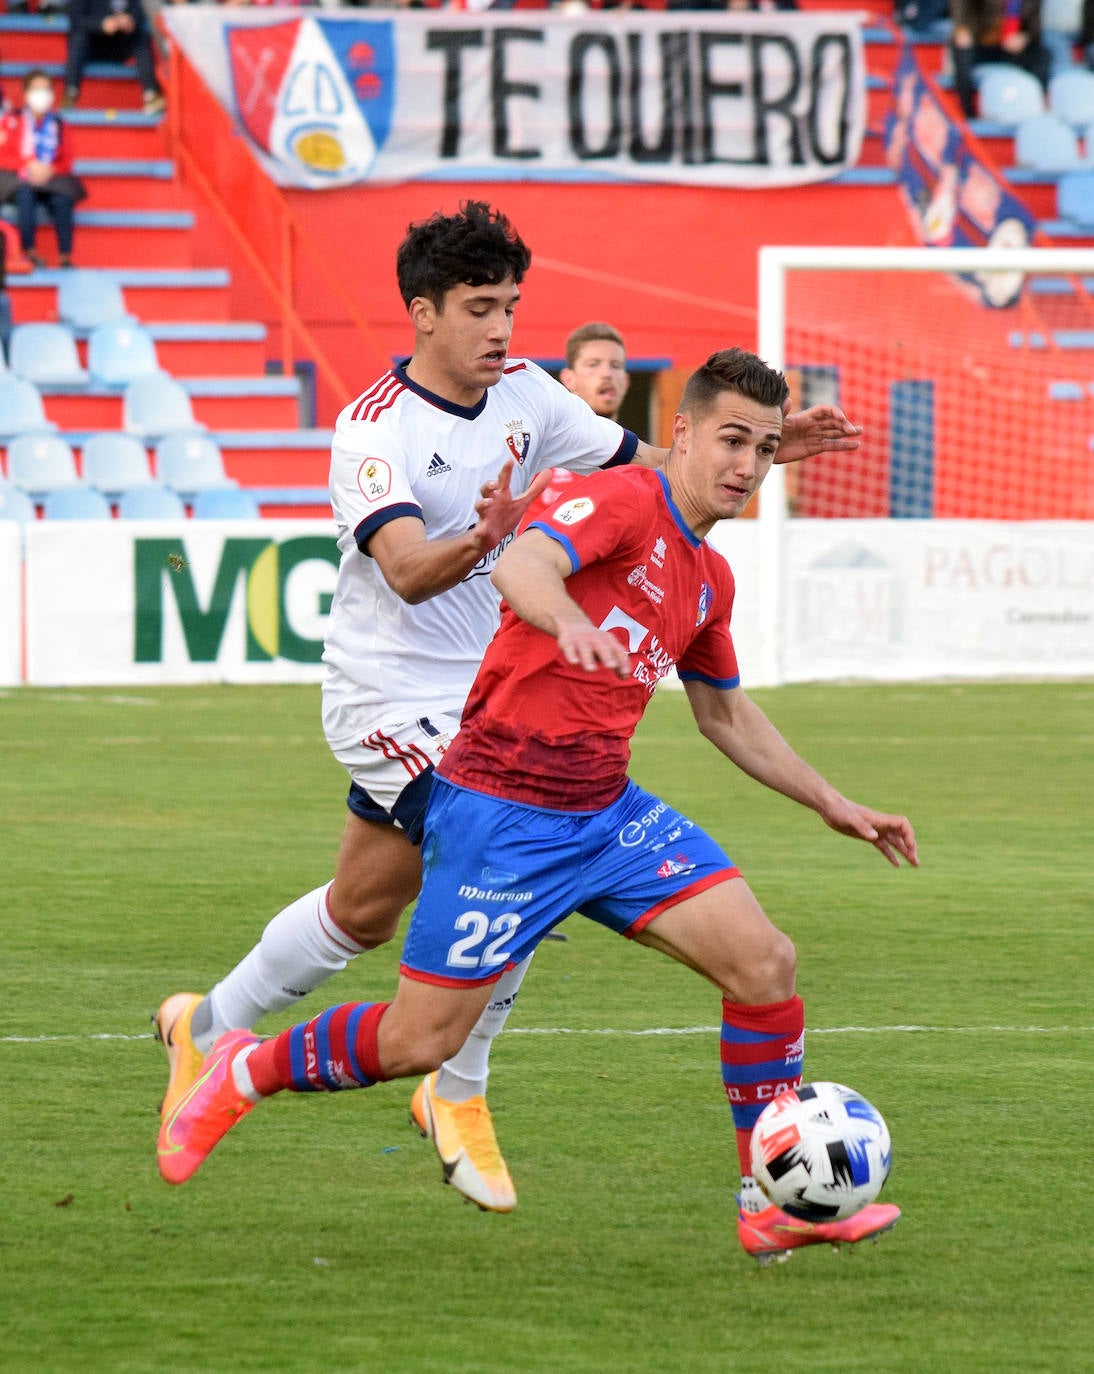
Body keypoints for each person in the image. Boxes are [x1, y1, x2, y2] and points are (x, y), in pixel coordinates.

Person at [154, 202, 865, 1217]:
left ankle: (211, 1027)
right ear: (422, 313)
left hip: (509, 693)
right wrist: (499, 547)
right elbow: (404, 573)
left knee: (361, 909)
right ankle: (455, 1091)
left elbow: (648, 475)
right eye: (480, 308)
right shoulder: (371, 430)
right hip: (393, 697)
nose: (501, 329)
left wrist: (752, 452)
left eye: (511, 307)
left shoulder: (531, 395)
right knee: (509, 872)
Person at [0, 71, 87, 270]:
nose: (41, 94)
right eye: (36, 89)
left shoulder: (59, 124)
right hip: (19, 176)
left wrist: (50, 169)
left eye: (46, 89)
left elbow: (67, 159)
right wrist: (28, 165)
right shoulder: (11, 120)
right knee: (25, 194)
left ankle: (65, 256)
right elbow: (2, 156)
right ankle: (29, 252)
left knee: (63, 198)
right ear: (26, 93)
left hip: (50, 177)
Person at [950, 0, 1052, 118]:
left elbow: (1034, 30)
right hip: (978, 43)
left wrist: (1023, 37)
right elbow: (961, 10)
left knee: (1044, 55)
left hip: (1009, 48)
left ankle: (1035, 103)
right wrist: (962, 28)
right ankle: (967, 113)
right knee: (962, 50)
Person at [63, 0, 166, 115]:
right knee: (79, 37)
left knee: (140, 36)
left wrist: (129, 20)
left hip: (119, 45)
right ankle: (70, 93)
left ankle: (151, 95)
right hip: (92, 46)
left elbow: (138, 14)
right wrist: (101, 24)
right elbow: (76, 18)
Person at [560, 320, 630, 422]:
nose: (607, 374)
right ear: (568, 379)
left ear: (626, 381)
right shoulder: (545, 436)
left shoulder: (635, 438)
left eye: (615, 366)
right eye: (593, 365)